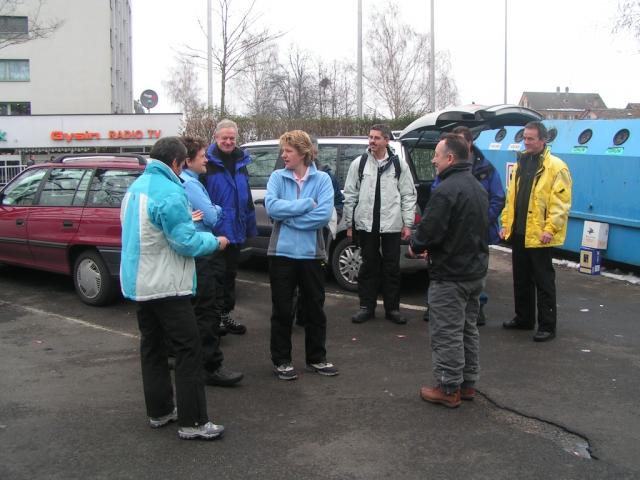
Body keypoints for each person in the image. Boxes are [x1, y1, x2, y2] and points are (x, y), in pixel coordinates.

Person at [120, 136, 226, 440]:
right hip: (167, 285)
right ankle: (194, 422)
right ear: (177, 163)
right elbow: (186, 242)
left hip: (140, 284)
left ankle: (160, 411)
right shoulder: (170, 190)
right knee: (189, 349)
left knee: (152, 348)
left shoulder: (135, 188)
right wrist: (215, 242)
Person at [409, 133, 488, 408]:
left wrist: (416, 245)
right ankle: (467, 384)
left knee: (447, 333)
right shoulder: (477, 186)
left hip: (451, 275)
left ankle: (448, 387)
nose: (433, 160)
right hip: (474, 272)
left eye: (437, 155)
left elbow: (429, 231)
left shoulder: (446, 190)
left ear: (450, 158)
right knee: (467, 330)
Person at [265, 130, 338, 381]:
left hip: (311, 254)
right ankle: (281, 361)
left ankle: (317, 358)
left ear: (303, 153)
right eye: (283, 150)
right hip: (281, 254)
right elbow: (272, 208)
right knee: (282, 310)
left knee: (315, 309)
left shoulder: (323, 179)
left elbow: (323, 215)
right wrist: (306, 204)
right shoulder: (277, 177)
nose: (283, 155)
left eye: (288, 151)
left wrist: (288, 219)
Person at [179, 136, 244, 386]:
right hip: (203, 252)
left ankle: (193, 360)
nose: (206, 159)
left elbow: (206, 213)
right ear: (188, 160)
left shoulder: (185, 181)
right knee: (207, 309)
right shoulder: (190, 184)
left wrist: (209, 210)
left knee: (194, 309)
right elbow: (212, 216)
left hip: (195, 251)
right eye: (202, 156)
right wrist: (214, 209)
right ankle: (211, 366)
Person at [500, 121, 572, 342]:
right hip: (520, 232)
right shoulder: (521, 163)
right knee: (520, 278)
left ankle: (547, 326)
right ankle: (524, 318)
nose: (526, 142)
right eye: (525, 137)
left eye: (531, 138)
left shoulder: (556, 167)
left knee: (543, 281)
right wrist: (506, 224)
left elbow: (561, 204)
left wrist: (550, 229)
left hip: (540, 235)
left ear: (543, 140)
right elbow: (511, 198)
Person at [342, 124, 417, 325]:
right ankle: (366, 307)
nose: (372, 141)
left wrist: (407, 224)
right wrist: (349, 223)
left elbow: (408, 195)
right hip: (366, 226)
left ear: (386, 140)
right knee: (368, 267)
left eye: (376, 138)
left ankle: (392, 309)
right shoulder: (359, 163)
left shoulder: (399, 165)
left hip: (391, 225)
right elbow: (350, 194)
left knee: (391, 268)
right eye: (370, 137)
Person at [203, 119, 257, 335]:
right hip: (214, 233)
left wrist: (250, 228)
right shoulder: (207, 164)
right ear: (216, 137)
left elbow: (247, 198)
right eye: (224, 138)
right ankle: (214, 321)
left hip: (236, 231)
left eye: (232, 138)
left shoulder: (241, 161)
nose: (228, 141)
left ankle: (225, 316)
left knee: (229, 276)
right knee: (215, 278)